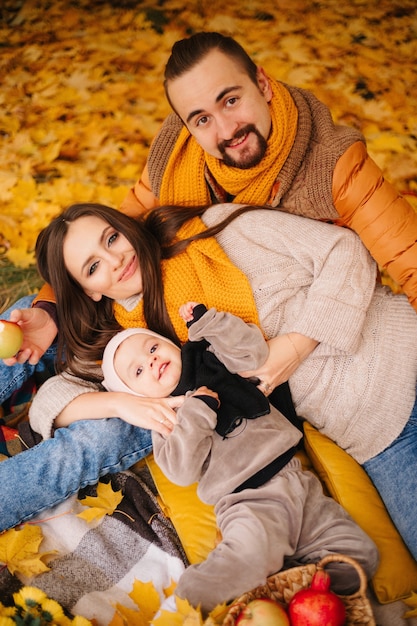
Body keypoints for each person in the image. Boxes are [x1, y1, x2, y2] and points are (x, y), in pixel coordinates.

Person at [1, 30, 416, 402]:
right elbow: (99, 243)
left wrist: (295, 346)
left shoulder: (336, 165)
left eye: (231, 100)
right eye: (202, 119)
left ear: (263, 83)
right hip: (210, 319)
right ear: (186, 127)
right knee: (34, 315)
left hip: (316, 314)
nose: (225, 129)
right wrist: (50, 308)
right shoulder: (175, 159)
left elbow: (410, 260)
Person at [0, 201, 416, 564]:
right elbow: (52, 399)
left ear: (125, 227)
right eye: (93, 267)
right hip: (383, 431)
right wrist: (121, 404)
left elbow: (345, 251)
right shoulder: (134, 340)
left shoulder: (216, 232)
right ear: (87, 290)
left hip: (401, 343)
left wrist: (293, 349)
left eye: (111, 239)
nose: (114, 261)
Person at [92, 303, 376, 614]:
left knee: (359, 558)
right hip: (249, 502)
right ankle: (186, 601)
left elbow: (253, 353)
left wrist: (209, 323)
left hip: (298, 483)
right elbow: (181, 471)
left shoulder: (210, 358)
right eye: (138, 371)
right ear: (138, 396)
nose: (152, 361)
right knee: (247, 558)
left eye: (153, 348)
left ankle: (295, 595)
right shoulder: (166, 418)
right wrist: (197, 410)